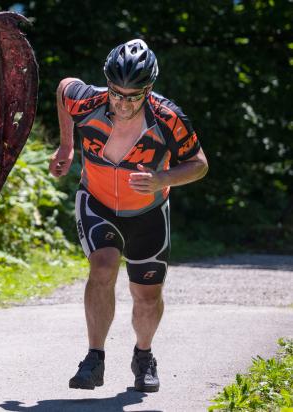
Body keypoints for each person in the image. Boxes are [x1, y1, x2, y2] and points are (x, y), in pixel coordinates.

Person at [49, 39, 208, 392]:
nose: (122, 103)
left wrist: (161, 179)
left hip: (148, 212)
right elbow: (63, 89)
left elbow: (199, 165)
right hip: (97, 202)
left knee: (146, 295)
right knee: (102, 265)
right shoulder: (87, 101)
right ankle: (94, 358)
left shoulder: (169, 118)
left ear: (148, 89)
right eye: (116, 93)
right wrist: (66, 144)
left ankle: (144, 356)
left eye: (132, 96)